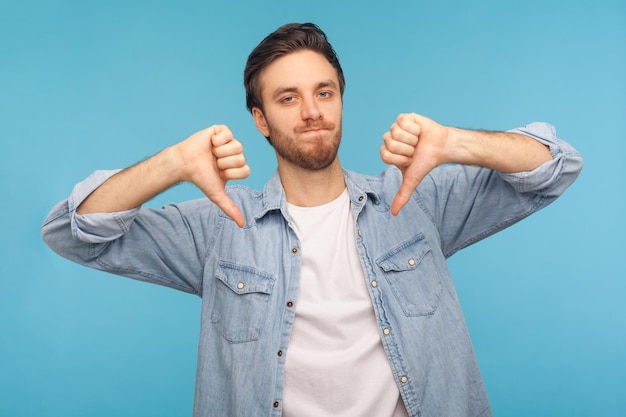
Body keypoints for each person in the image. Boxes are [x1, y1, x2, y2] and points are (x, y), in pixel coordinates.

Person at [42, 22, 583, 417]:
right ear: (260, 120)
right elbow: (73, 233)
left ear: (341, 100)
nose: (312, 112)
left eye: (324, 93)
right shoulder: (220, 227)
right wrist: (173, 164)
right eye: (288, 98)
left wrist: (455, 143)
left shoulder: (415, 202)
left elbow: (555, 168)